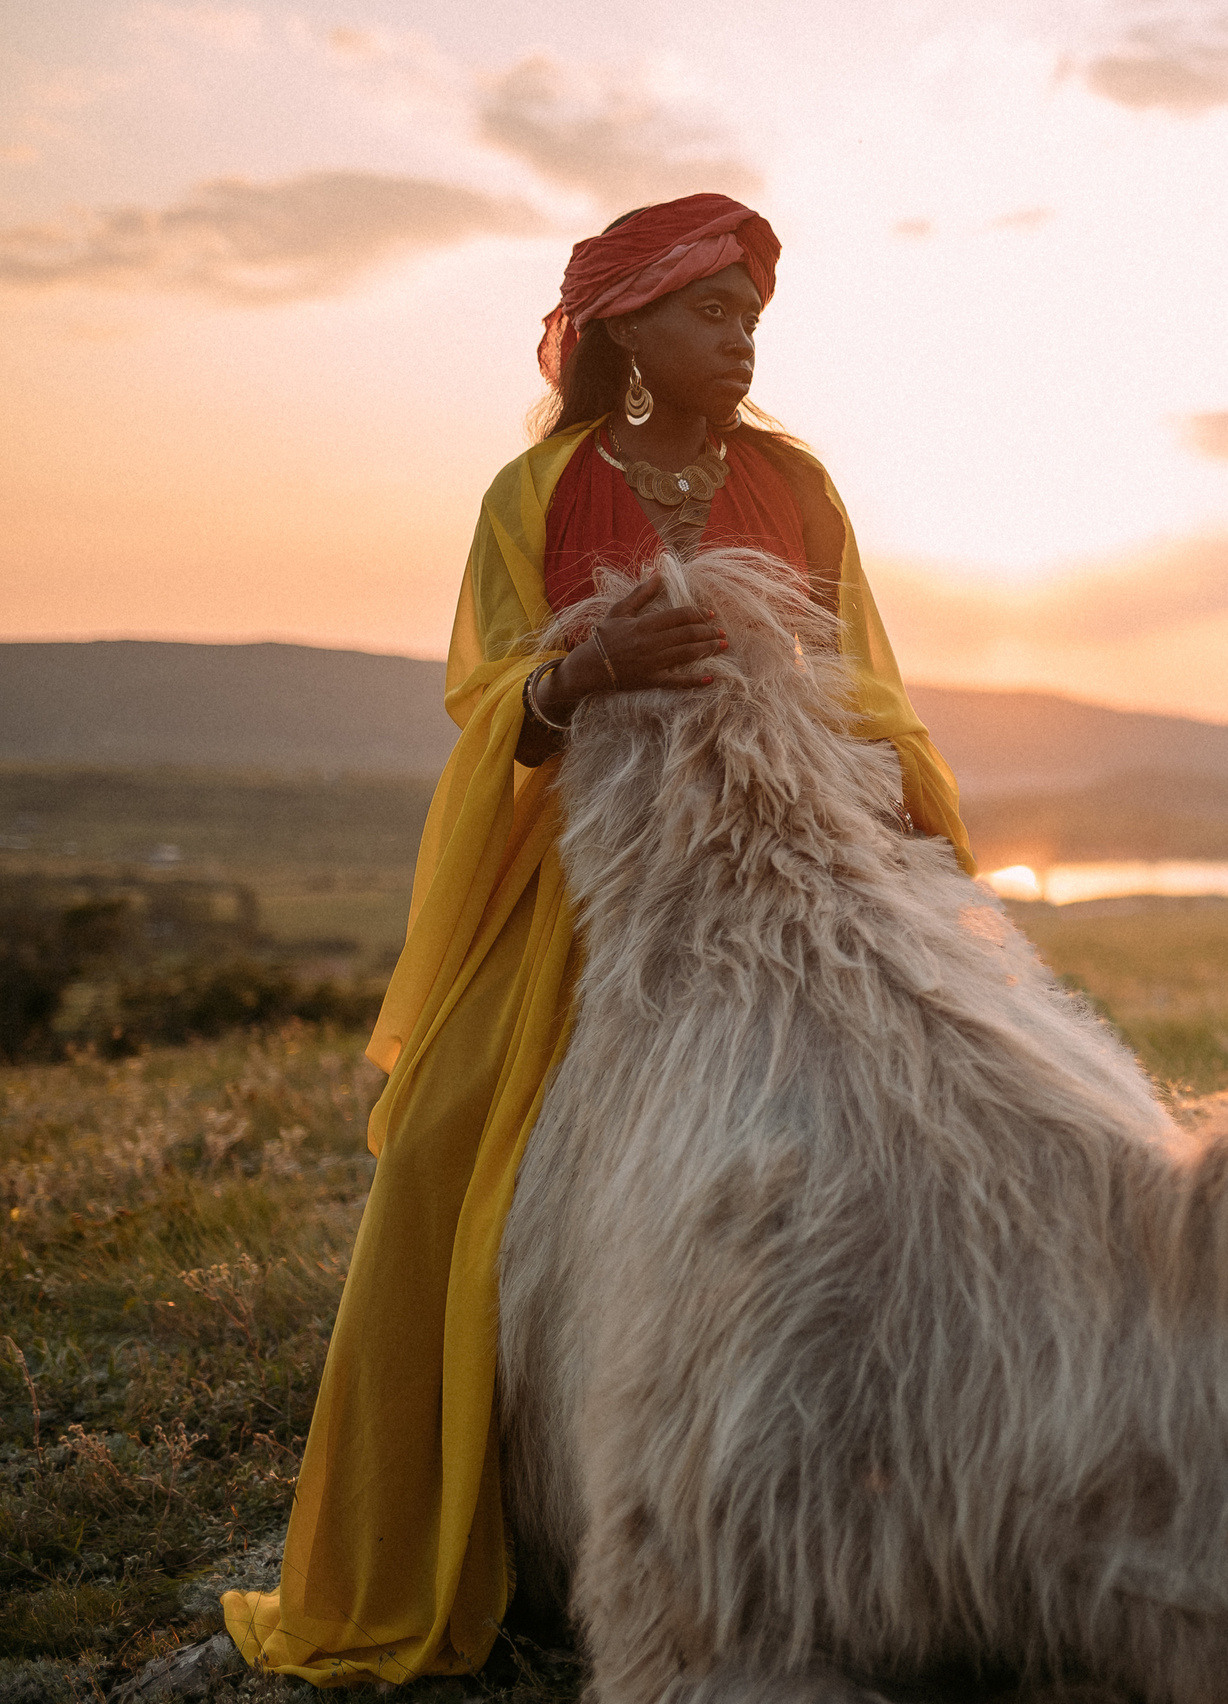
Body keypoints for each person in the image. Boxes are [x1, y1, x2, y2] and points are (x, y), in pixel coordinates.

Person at [223, 194, 972, 1685]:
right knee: (442, 1146)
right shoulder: (537, 490)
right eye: (714, 310)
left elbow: (865, 677)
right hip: (598, 888)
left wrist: (914, 831)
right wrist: (586, 670)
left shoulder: (796, 482)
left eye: (755, 313)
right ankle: (433, 1538)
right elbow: (489, 696)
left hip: (793, 862)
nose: (744, 337)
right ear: (625, 324)